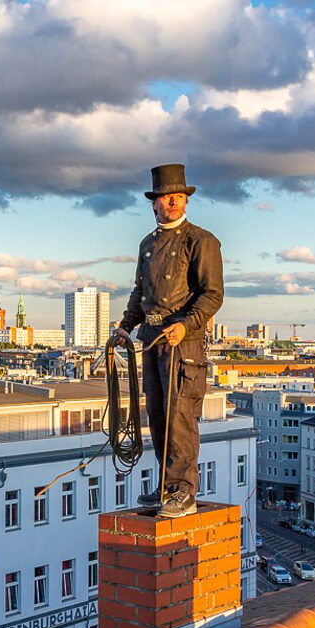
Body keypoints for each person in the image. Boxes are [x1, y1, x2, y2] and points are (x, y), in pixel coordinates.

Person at [111, 163, 223, 518]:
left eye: (176, 198)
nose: (170, 204)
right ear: (154, 204)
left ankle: (183, 492)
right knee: (159, 416)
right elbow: (140, 292)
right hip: (154, 340)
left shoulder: (201, 241)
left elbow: (212, 295)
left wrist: (186, 326)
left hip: (183, 344)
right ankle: (165, 487)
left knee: (181, 418)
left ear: (184, 202)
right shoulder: (148, 244)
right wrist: (125, 327)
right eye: (164, 199)